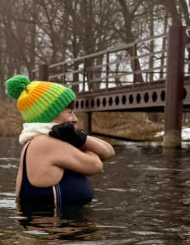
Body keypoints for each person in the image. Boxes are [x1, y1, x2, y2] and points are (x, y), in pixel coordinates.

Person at [6, 75, 114, 211]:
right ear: (49, 114)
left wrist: (80, 138)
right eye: (69, 112)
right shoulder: (45, 143)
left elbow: (109, 151)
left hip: (57, 228)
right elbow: (96, 165)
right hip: (53, 230)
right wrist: (79, 140)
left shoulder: (42, 141)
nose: (75, 119)